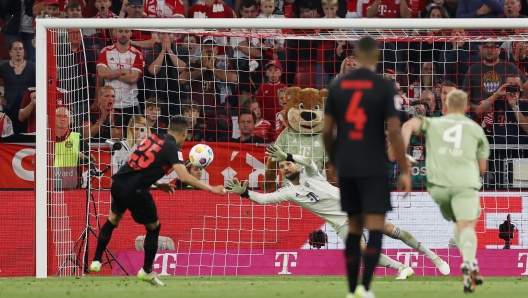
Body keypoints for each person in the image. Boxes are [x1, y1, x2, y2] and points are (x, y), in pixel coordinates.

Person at [226, 146, 449, 277]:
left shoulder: (310, 174)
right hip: (340, 223)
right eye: (283, 167)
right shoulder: (287, 192)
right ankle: (402, 268)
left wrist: (289, 156)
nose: (286, 168)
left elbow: (309, 161)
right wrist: (244, 193)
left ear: (293, 165)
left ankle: (434, 257)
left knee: (391, 231)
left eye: (288, 165)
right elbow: (263, 199)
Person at [322, 36, 412, 298]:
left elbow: (327, 130)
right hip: (374, 164)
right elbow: (395, 132)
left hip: (348, 162)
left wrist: (333, 160)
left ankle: (351, 290)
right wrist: (405, 170)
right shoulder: (385, 87)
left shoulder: (337, 86)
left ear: (356, 56)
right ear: (376, 57)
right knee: (374, 226)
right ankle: (365, 287)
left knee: (353, 227)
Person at [89, 115, 227, 285]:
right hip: (136, 190)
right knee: (154, 227)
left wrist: (159, 183)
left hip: (119, 182)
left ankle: (96, 260)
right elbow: (184, 177)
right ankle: (147, 270)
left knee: (113, 219)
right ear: (185, 133)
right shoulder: (173, 148)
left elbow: (140, 164)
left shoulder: (153, 138)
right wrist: (212, 188)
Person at [401, 89, 490, 293]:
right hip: (464, 184)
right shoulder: (475, 129)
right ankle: (469, 262)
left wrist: (403, 151)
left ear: (445, 107)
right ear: (467, 108)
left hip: (438, 187)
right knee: (467, 225)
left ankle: (468, 261)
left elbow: (409, 124)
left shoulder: (435, 122)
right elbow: (482, 168)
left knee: (458, 222)